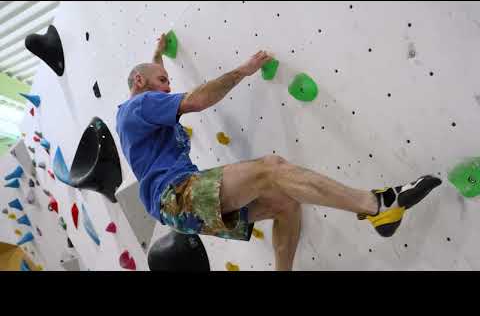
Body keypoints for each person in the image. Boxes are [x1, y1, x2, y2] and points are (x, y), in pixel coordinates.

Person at [116, 34, 442, 271]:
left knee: (286, 202)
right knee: (270, 169)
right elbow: (197, 101)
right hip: (175, 196)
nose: (168, 88)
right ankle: (377, 205)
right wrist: (242, 71)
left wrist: (158, 54)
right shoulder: (138, 106)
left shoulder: (140, 110)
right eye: (162, 81)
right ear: (140, 81)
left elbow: (150, 74)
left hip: (178, 207)